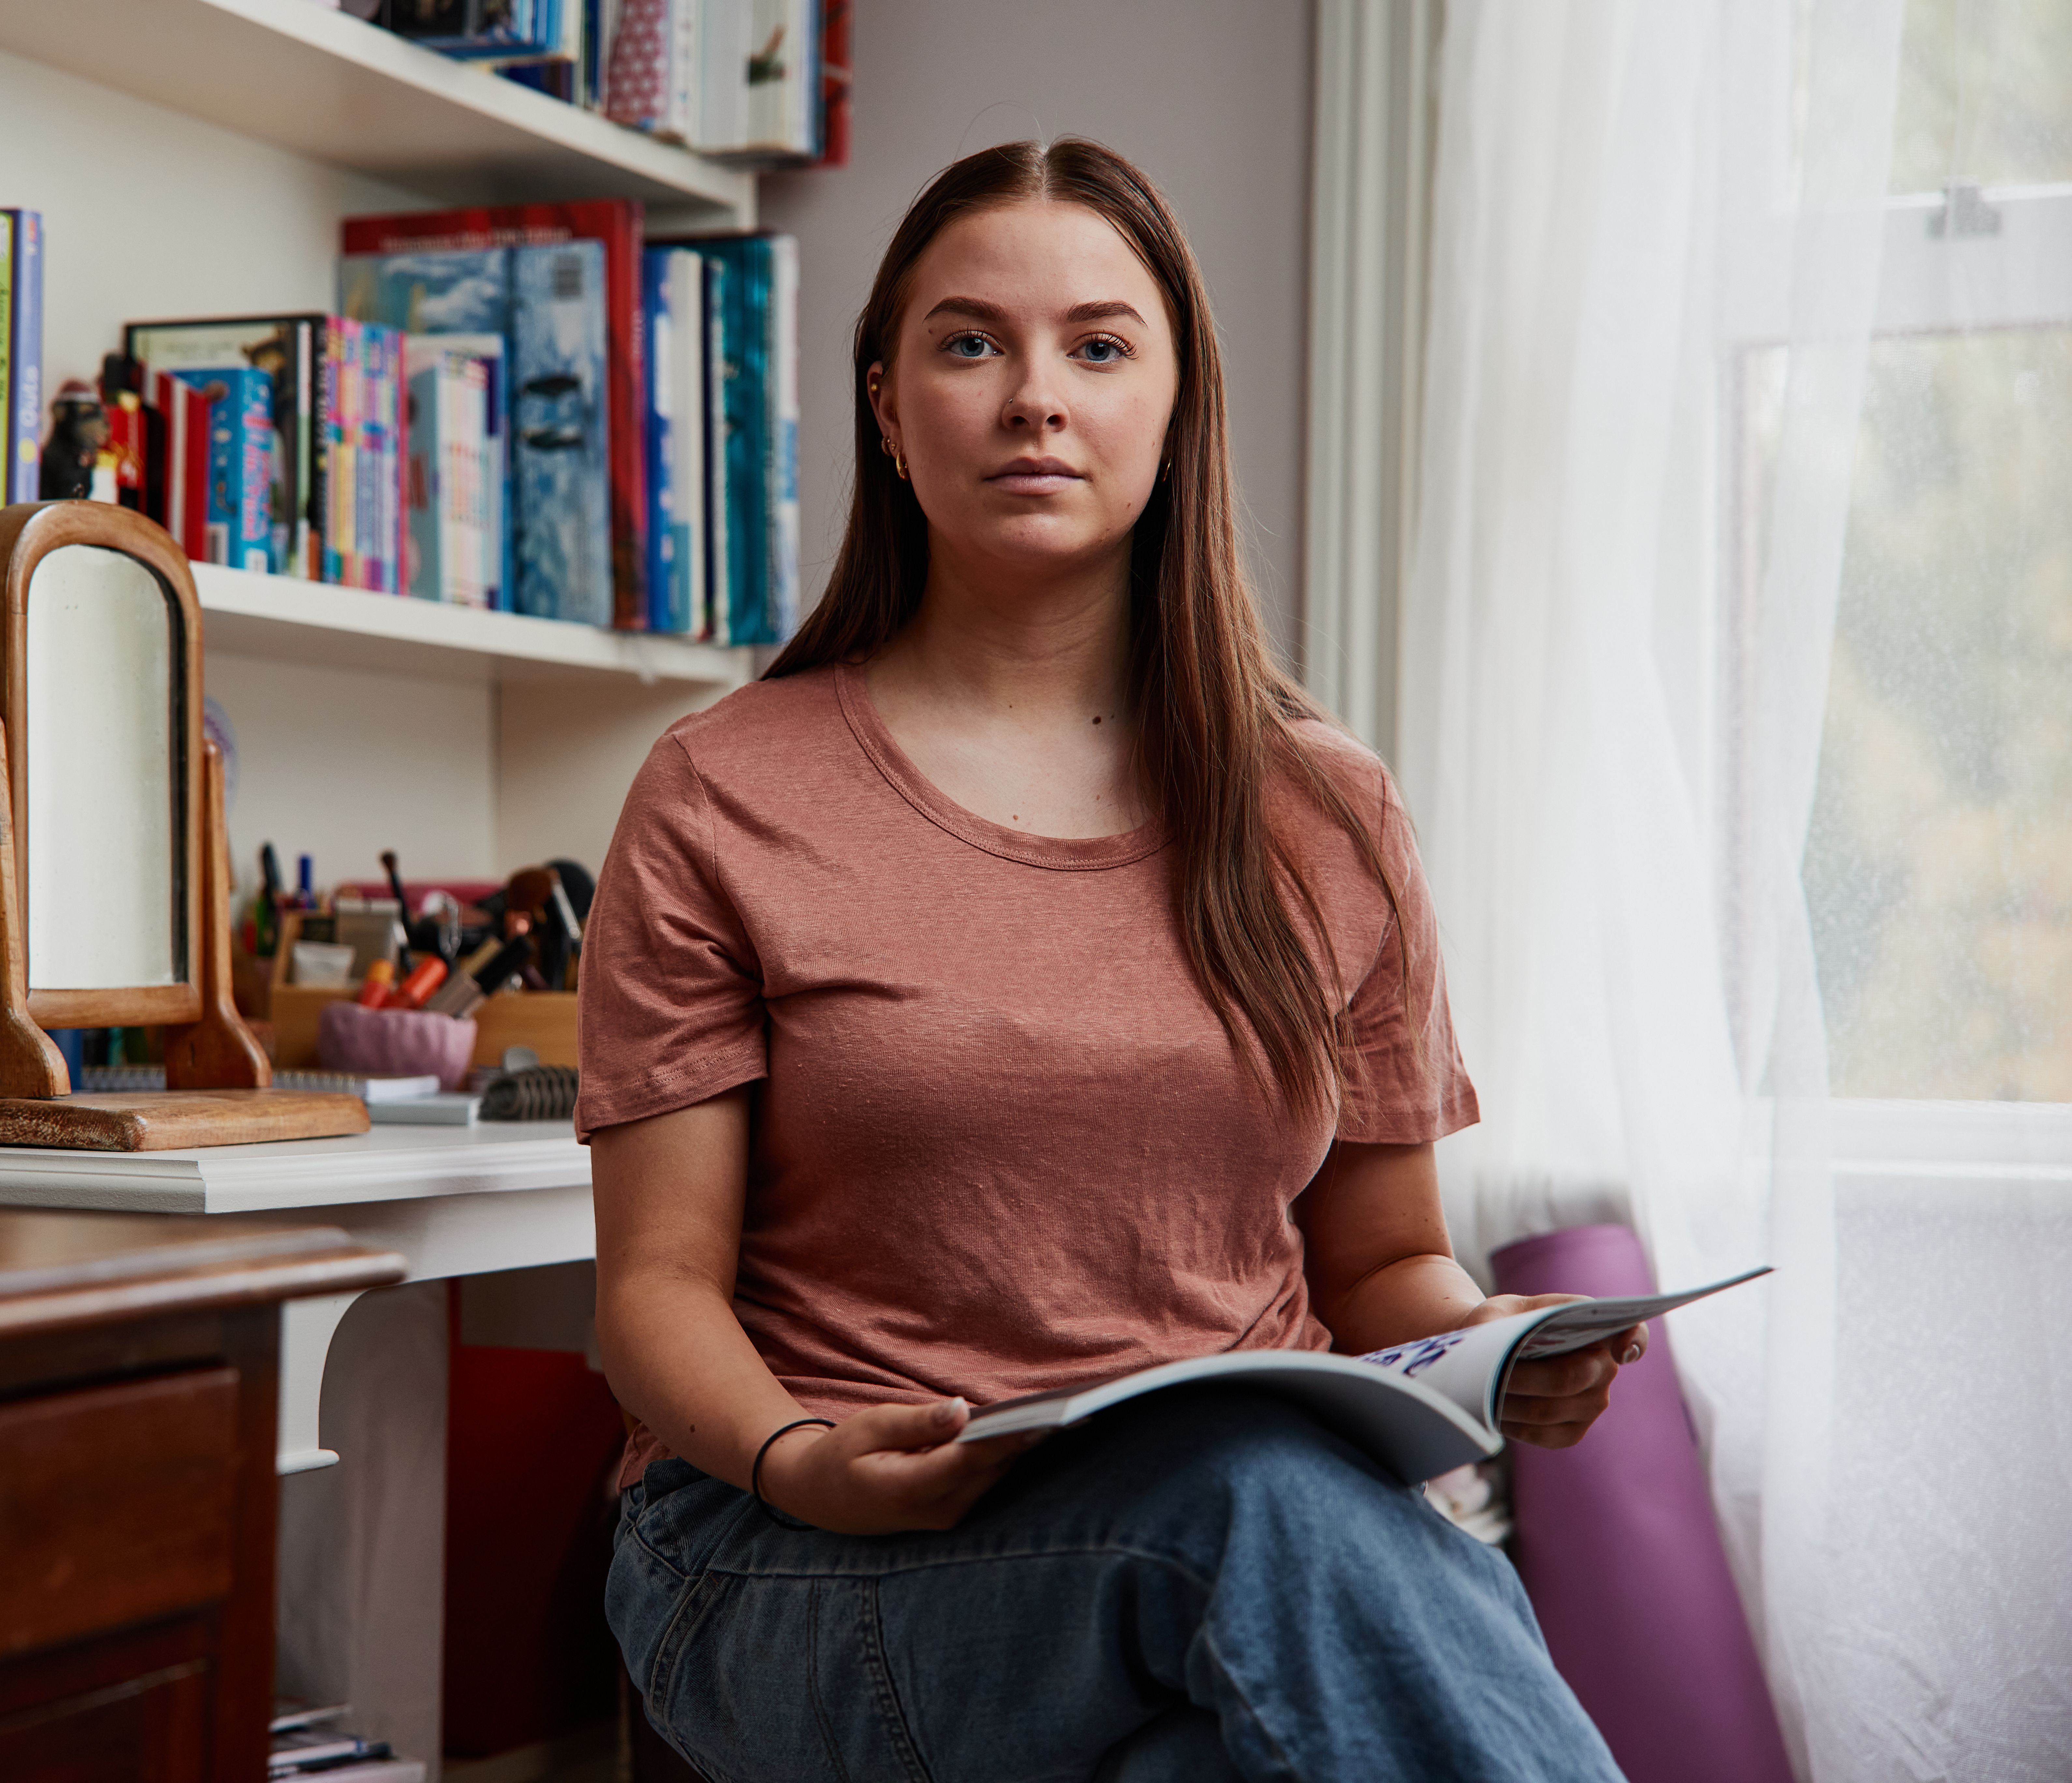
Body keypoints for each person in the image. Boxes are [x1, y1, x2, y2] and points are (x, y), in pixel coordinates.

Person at [577, 138, 1643, 1782]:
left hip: (1230, 1552)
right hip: (797, 1548)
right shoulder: (723, 788)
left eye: (1095, 345)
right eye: (966, 343)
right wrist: (795, 1456)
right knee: (1257, 1498)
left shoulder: (1326, 812)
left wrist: (1497, 1346)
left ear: (1173, 401)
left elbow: (1378, 1271)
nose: (1032, 398)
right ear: (884, 402)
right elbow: (651, 1291)